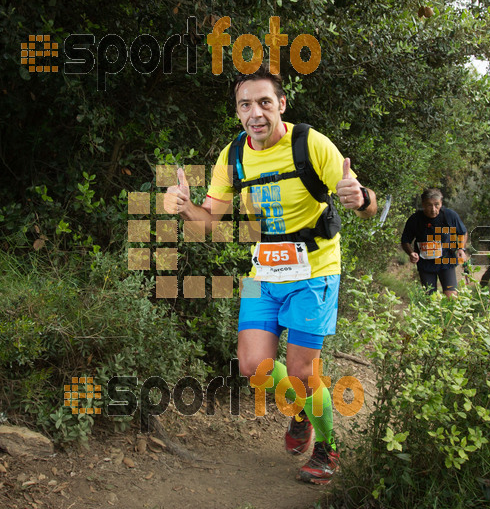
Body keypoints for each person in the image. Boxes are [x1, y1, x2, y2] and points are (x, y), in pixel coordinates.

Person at [164, 65, 377, 484]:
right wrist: (183, 207)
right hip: (265, 269)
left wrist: (361, 197)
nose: (255, 113)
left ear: (281, 104)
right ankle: (301, 413)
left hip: (314, 270)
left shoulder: (310, 143)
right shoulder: (234, 155)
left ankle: (328, 449)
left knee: (300, 372)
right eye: (246, 105)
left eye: (264, 102)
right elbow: (209, 223)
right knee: (253, 367)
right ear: (238, 112)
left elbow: (367, 204)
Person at [401, 188, 468, 297]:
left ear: (441, 203)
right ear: (423, 204)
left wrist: (461, 248)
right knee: (430, 298)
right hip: (426, 263)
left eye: (437, 205)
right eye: (429, 205)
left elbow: (462, 233)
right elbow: (405, 240)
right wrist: (411, 253)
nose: (433, 209)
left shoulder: (449, 215)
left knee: (452, 296)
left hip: (446, 261)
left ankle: (451, 314)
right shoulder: (415, 219)